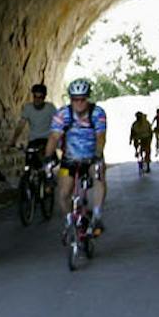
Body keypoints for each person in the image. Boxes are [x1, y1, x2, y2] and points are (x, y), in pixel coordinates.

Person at [50, 78, 108, 236]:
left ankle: (97, 215)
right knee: (62, 194)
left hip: (91, 157)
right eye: (75, 100)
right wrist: (48, 157)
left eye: (83, 99)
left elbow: (101, 137)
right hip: (69, 160)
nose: (79, 103)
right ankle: (70, 220)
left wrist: (97, 155)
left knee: (98, 175)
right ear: (70, 99)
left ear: (87, 98)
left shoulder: (97, 113)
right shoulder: (62, 114)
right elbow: (54, 137)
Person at [9, 82, 56, 182]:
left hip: (47, 141)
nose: (37, 99)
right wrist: (14, 139)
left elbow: (58, 124)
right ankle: (29, 182)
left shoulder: (50, 108)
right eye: (35, 96)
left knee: (49, 163)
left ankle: (48, 180)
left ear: (44, 97)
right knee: (29, 164)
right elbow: (21, 124)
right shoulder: (28, 108)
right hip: (34, 140)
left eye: (40, 97)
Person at [129, 109, 153, 173]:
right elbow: (132, 132)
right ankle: (137, 152)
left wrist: (150, 139)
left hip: (146, 138)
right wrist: (131, 139)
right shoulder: (135, 124)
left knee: (147, 151)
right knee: (138, 146)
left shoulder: (146, 123)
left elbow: (150, 131)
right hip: (139, 138)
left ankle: (147, 164)